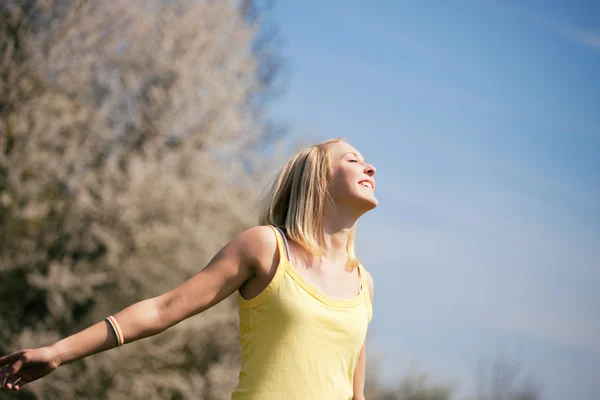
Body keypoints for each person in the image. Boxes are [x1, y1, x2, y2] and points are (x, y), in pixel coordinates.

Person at [0, 138, 377, 399]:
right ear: (318, 179)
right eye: (353, 160)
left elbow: (354, 394)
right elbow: (163, 309)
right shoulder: (265, 247)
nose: (370, 167)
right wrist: (57, 352)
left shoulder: (364, 285)